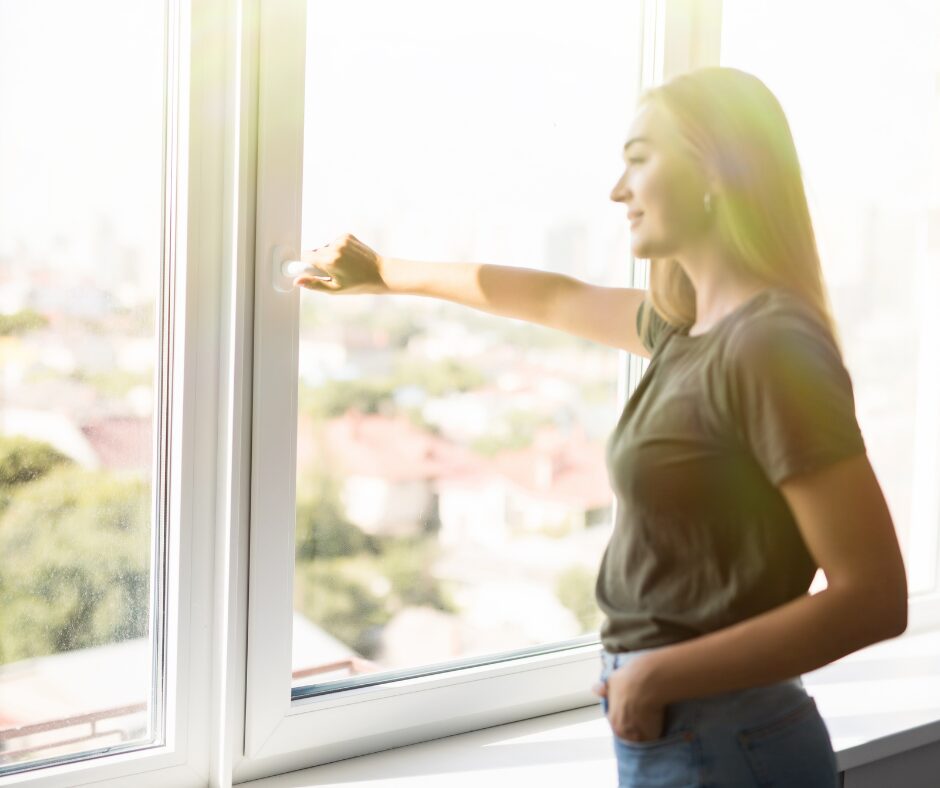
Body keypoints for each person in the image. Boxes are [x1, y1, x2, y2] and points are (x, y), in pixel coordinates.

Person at [293, 66, 908, 788]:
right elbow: (553, 297)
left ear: (715, 169)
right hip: (690, 733)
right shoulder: (691, 332)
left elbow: (873, 597)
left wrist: (655, 677)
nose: (619, 190)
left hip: (726, 741)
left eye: (641, 159)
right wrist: (383, 271)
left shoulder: (769, 348)